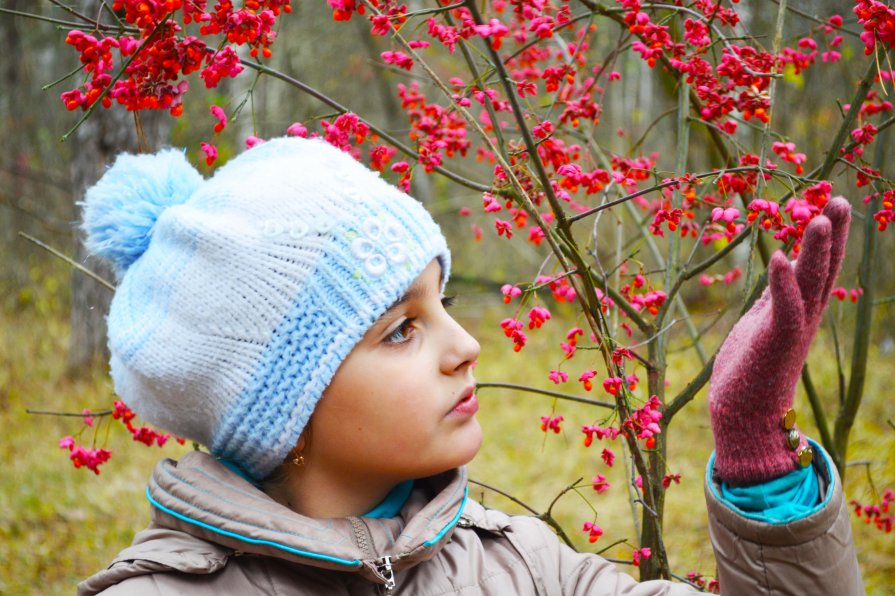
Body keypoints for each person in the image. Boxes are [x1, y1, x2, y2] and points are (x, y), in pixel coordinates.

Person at [76, 136, 863, 595]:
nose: (465, 346)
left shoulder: (528, 569)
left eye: (441, 302)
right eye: (400, 330)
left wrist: (756, 449)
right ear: (284, 411)